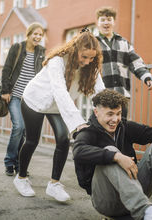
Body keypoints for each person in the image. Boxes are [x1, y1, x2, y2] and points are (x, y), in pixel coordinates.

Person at [13, 29, 105, 202]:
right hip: (35, 100)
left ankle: (54, 184)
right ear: (75, 49)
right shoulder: (57, 61)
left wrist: (107, 110)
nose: (87, 62)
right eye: (84, 57)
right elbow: (60, 92)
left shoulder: (91, 67)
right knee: (32, 140)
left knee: (63, 139)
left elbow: (99, 91)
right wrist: (78, 123)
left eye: (91, 58)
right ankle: (21, 178)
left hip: (55, 106)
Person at [73, 89, 152, 220]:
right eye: (110, 114)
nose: (115, 119)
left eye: (118, 114)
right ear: (96, 112)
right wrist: (116, 157)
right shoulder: (88, 132)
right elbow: (78, 151)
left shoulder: (124, 126)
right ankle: (147, 213)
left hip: (136, 192)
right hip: (107, 200)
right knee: (110, 151)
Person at [1, 23, 46, 176]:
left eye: (41, 35)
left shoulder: (42, 52)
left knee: (26, 132)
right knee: (18, 127)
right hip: (15, 95)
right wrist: (5, 90)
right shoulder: (17, 48)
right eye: (36, 34)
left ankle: (21, 165)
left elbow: (43, 74)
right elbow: (7, 68)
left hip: (30, 98)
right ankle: (9, 162)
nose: (38, 37)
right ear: (29, 34)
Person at [95, 7, 152, 118]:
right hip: (101, 94)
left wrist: (147, 77)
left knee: (121, 126)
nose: (106, 22)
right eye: (102, 20)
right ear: (97, 23)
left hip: (121, 95)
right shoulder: (92, 43)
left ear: (114, 22)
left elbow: (135, 62)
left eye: (109, 19)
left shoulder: (123, 43)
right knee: (103, 128)